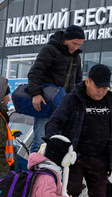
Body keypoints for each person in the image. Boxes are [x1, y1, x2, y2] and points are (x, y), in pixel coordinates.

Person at [45, 63, 112, 197]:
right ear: (88, 81)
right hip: (76, 156)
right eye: (98, 87)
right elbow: (55, 121)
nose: (101, 91)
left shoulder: (110, 101)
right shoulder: (73, 99)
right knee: (71, 189)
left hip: (101, 158)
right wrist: (52, 141)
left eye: (105, 88)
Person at [27, 24, 85, 153]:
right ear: (65, 39)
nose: (76, 47)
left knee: (59, 143)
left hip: (65, 106)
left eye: (79, 45)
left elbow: (77, 81)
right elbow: (35, 73)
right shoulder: (50, 50)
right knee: (41, 141)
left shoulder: (76, 57)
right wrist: (35, 94)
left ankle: (52, 166)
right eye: (74, 43)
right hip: (46, 103)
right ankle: (36, 166)